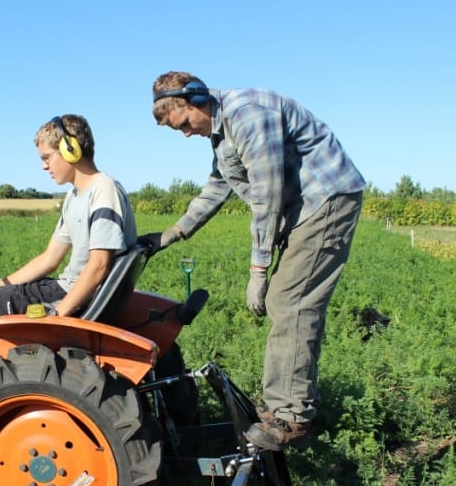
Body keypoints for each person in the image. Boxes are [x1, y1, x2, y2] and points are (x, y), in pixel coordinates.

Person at [143, 71, 365, 450]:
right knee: (290, 303)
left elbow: (267, 196)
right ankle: (290, 404)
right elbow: (217, 187)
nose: (184, 134)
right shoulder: (222, 132)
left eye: (182, 124)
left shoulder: (248, 115)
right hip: (303, 209)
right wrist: (171, 233)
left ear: (196, 100)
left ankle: (291, 417)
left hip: (325, 201)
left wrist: (258, 270)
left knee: (290, 302)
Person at [0, 114, 137, 422]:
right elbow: (49, 258)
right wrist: (0, 284)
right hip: (66, 288)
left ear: (71, 149)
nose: (44, 165)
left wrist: (60, 315)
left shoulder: (103, 190)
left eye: (47, 157)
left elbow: (98, 266)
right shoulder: (76, 196)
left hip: (69, 295)